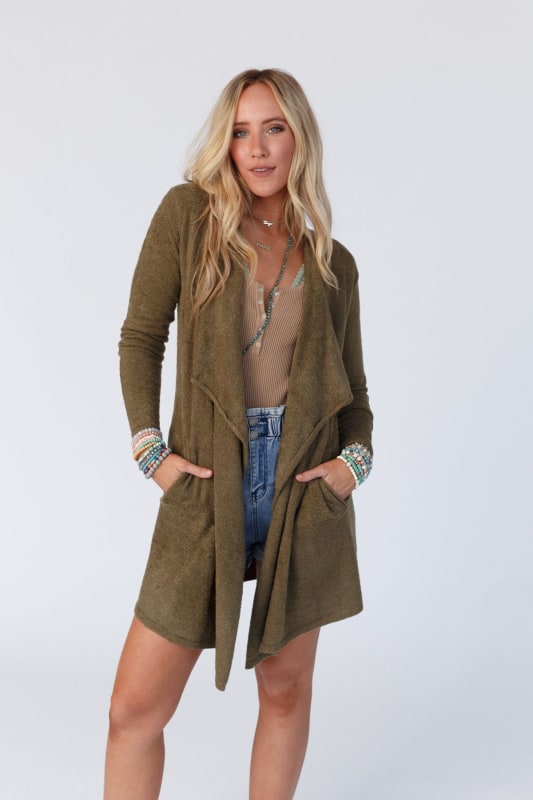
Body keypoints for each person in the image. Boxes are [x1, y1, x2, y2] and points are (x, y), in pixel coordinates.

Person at [105, 68, 373, 800]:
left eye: (273, 129)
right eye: (241, 132)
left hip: (301, 490)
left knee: (284, 692)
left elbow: (355, 395)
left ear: (298, 140)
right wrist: (151, 451)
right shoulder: (189, 218)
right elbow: (140, 337)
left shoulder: (332, 264)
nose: (256, 148)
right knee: (133, 711)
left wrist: (353, 465)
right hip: (207, 482)